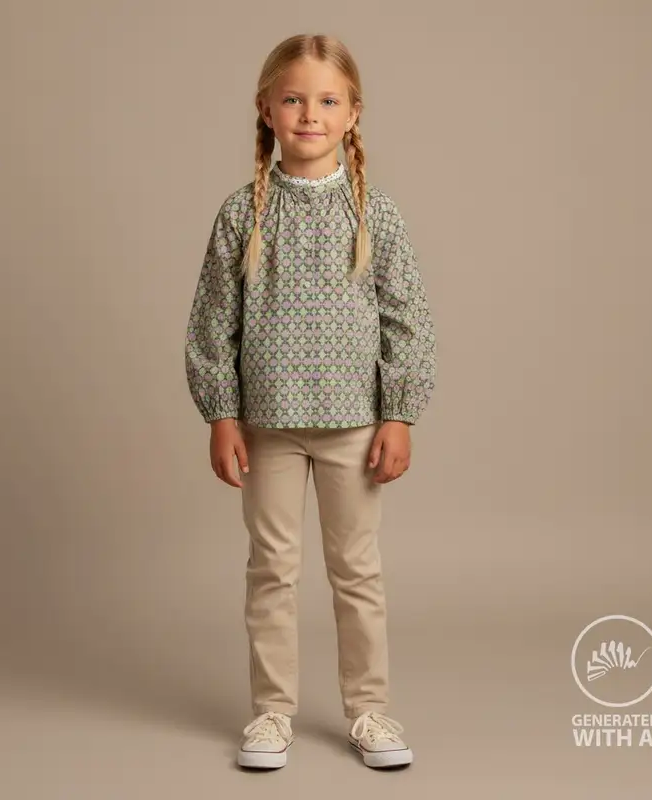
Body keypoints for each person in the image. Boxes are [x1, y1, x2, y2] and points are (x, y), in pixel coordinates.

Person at [184, 33, 437, 770]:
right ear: (266, 109)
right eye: (293, 99)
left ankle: (370, 710)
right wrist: (221, 416)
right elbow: (213, 321)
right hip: (267, 426)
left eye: (327, 101)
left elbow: (407, 319)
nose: (309, 114)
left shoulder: (375, 213)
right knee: (271, 567)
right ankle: (271, 712)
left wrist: (399, 414)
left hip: (354, 426)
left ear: (353, 114)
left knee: (356, 570)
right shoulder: (242, 214)